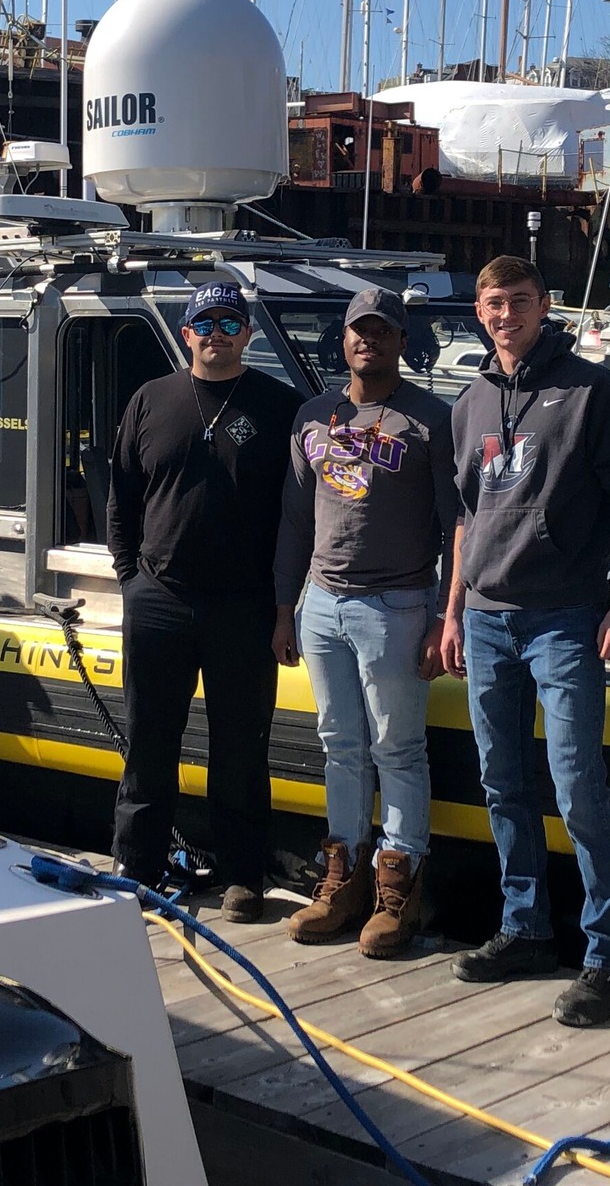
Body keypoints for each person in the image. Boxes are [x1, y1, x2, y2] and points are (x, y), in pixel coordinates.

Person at [440, 255, 610, 1028]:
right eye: (494, 303)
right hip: (486, 618)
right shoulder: (469, 402)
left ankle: (608, 956)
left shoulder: (591, 390)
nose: (506, 314)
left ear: (545, 305)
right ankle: (525, 929)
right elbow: (466, 517)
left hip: (564, 617)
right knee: (502, 783)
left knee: (577, 786)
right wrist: (453, 612)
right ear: (479, 311)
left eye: (520, 301)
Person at [273, 286, 459, 957]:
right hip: (322, 604)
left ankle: (398, 887)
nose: (368, 340)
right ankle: (343, 876)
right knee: (339, 743)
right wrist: (284, 609)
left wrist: (445, 617)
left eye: (382, 330)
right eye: (359, 329)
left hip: (399, 606)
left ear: (402, 341)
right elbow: (295, 521)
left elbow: (455, 527)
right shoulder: (311, 416)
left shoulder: (432, 419)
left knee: (397, 747)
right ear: (344, 338)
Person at [107, 280, 301, 923]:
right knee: (148, 740)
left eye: (230, 323)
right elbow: (122, 495)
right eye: (205, 324)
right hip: (158, 599)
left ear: (248, 333)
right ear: (187, 333)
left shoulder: (280, 406)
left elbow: (298, 513)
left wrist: (283, 602)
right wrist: (130, 578)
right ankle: (137, 865)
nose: (217, 334)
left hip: (245, 606)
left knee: (242, 746)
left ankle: (243, 875)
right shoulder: (150, 399)